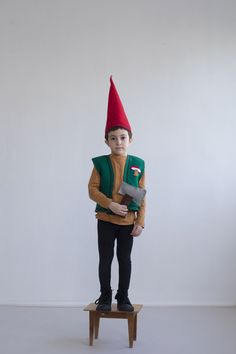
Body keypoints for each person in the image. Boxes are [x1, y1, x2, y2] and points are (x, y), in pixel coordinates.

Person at [88, 76, 145, 312]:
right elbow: (92, 190)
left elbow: (142, 194)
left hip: (127, 222)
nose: (118, 142)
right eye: (113, 138)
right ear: (106, 141)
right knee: (105, 260)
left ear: (130, 139)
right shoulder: (100, 164)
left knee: (125, 260)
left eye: (123, 137)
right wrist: (110, 204)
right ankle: (104, 297)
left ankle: (123, 297)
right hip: (106, 220)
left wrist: (140, 221)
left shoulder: (138, 163)